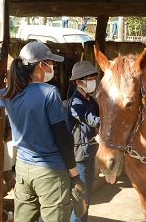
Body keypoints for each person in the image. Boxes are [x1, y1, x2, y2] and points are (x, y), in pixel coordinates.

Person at [0, 42, 86, 222]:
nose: (53, 66)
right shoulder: (49, 93)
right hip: (51, 173)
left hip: (23, 170)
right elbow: (63, 139)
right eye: (51, 62)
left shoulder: (9, 93)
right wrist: (75, 175)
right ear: (41, 65)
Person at [66, 61, 100, 222]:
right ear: (79, 82)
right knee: (81, 201)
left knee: (87, 200)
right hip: (79, 158)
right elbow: (92, 120)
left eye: (94, 78)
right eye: (90, 78)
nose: (93, 81)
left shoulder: (90, 101)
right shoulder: (75, 102)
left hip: (90, 155)